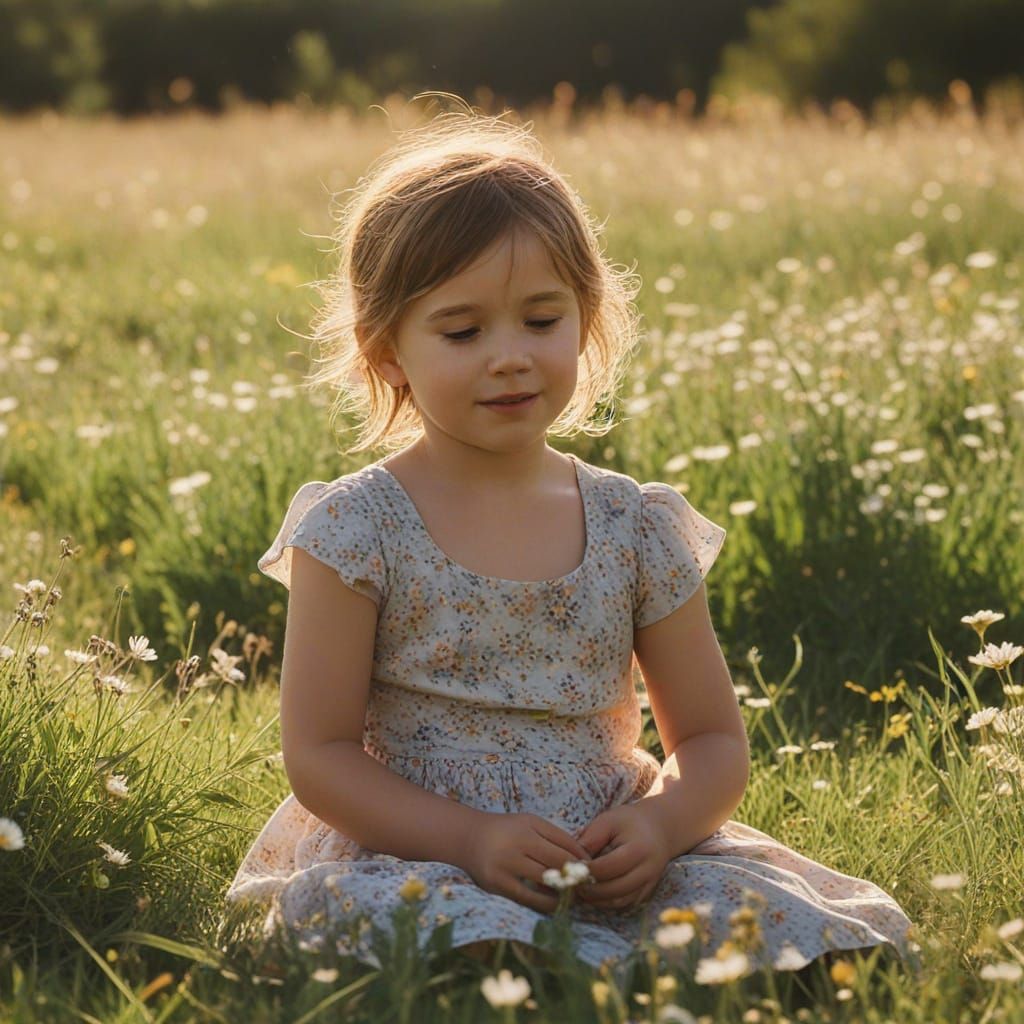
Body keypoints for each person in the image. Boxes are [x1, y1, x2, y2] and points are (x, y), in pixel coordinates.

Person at [226, 104, 919, 982]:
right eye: (463, 331)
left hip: (605, 848)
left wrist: (660, 826)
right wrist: (470, 839)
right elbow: (320, 756)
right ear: (387, 350)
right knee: (409, 921)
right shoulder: (356, 530)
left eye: (542, 320)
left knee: (784, 922)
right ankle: (513, 961)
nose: (510, 356)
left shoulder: (634, 525)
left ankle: (593, 959)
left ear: (586, 320)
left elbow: (710, 738)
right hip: (419, 844)